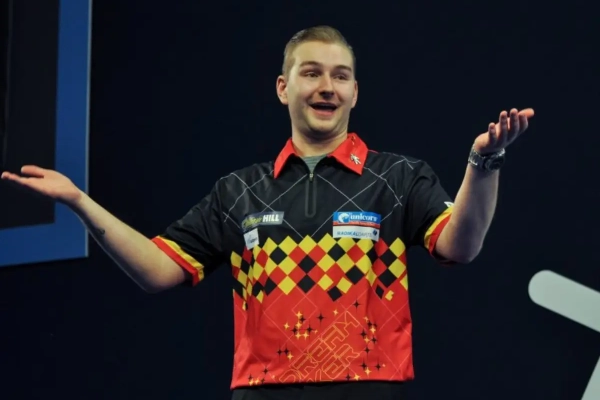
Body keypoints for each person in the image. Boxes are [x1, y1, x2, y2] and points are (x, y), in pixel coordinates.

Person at [1, 26, 534, 400]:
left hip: (367, 389)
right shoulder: (239, 191)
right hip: (262, 392)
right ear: (284, 88)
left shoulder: (398, 178)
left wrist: (483, 163)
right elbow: (158, 270)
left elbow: (461, 246)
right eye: (311, 73)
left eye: (340, 76)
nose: (326, 87)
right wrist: (80, 202)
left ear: (354, 92)